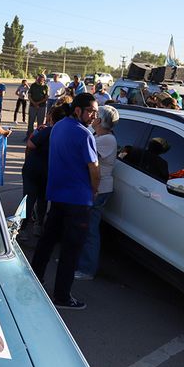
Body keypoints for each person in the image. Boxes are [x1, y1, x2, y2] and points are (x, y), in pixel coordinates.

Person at [31, 93, 99, 310]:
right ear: (77, 110)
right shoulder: (84, 134)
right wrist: (95, 190)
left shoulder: (59, 126)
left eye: (96, 112)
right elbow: (94, 168)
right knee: (71, 249)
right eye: (90, 111)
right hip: (78, 200)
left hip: (57, 195)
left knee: (47, 241)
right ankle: (62, 296)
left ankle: (34, 280)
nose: (93, 116)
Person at [75, 105, 119, 280]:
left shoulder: (106, 140)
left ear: (100, 120)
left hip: (98, 190)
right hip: (93, 187)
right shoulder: (98, 136)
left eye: (95, 115)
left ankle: (86, 269)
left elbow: (86, 158)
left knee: (90, 230)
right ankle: (80, 263)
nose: (92, 117)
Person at [18, 105, 67, 242]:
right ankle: (38, 225)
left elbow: (31, 145)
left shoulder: (47, 130)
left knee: (28, 199)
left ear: (52, 118)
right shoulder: (64, 133)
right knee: (42, 200)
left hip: (33, 170)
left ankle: (22, 229)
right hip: (49, 172)